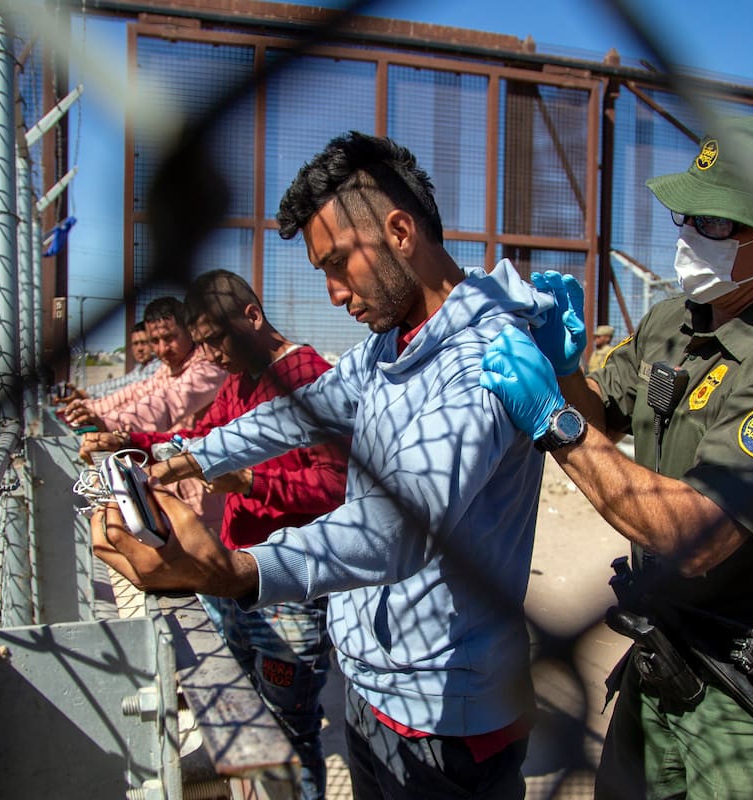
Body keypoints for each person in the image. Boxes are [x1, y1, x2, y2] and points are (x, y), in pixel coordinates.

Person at [92, 132, 558, 799]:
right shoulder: (390, 347)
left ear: (399, 233)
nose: (334, 294)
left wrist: (240, 571)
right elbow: (297, 414)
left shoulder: (482, 361)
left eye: (338, 264)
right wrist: (182, 457)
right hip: (373, 687)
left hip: (444, 715)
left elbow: (396, 528)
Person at [480, 115, 753, 799]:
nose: (690, 235)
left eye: (718, 222)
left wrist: (553, 422)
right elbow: (606, 415)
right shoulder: (675, 321)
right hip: (663, 648)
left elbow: (698, 533)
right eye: (688, 214)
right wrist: (565, 371)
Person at [84, 270, 348, 800]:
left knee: (290, 730)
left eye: (216, 339)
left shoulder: (308, 375)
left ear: (253, 317)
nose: (209, 354)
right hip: (234, 574)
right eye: (201, 343)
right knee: (242, 707)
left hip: (290, 587)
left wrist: (251, 481)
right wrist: (131, 440)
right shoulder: (238, 378)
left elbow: (336, 484)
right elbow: (201, 439)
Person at [63, 297, 226, 433]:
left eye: (169, 338)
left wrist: (109, 424)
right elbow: (135, 393)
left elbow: (166, 404)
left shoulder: (209, 365)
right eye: (154, 341)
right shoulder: (167, 369)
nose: (162, 349)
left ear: (190, 331)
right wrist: (89, 409)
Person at [57, 322, 160, 404]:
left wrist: (85, 395)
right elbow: (118, 383)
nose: (139, 348)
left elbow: (125, 391)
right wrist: (83, 392)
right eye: (135, 344)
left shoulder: (156, 367)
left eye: (144, 343)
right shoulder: (140, 368)